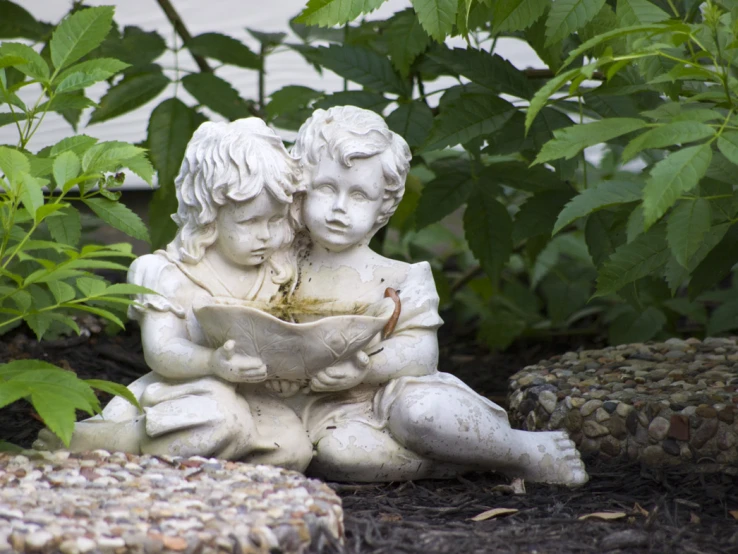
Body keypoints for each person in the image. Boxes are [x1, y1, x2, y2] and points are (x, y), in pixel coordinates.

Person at [280, 106, 588, 485]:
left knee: (424, 414)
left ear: (384, 206)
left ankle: (519, 449)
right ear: (302, 185)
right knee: (339, 455)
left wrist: (362, 368)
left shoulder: (401, 278)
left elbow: (421, 354)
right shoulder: (277, 269)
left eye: (359, 195)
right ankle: (451, 464)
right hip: (322, 413)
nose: (340, 208)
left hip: (387, 395)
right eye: (328, 188)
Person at [36, 118, 313, 471]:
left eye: (275, 221)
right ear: (208, 213)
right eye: (248, 222)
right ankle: (122, 439)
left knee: (293, 451)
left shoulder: (279, 272)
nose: (265, 236)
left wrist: (286, 372)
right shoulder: (171, 274)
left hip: (257, 398)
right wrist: (213, 364)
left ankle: (212, 470)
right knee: (222, 420)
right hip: (189, 391)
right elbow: (161, 351)